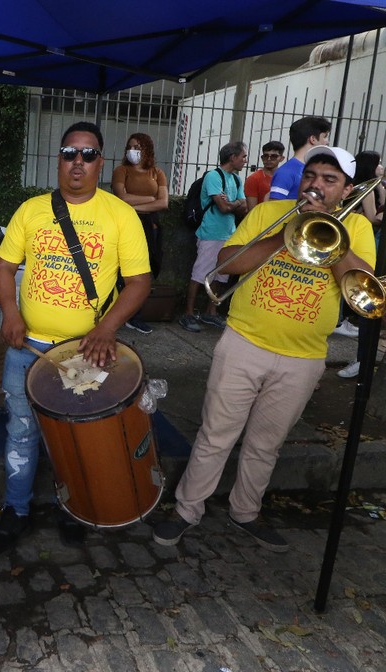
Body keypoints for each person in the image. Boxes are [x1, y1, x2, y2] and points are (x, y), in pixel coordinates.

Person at [153, 146, 375, 552]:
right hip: (243, 342)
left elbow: (359, 285)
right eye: (311, 176)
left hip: (304, 357)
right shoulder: (269, 213)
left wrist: (331, 236)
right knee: (216, 433)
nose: (316, 185)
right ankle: (187, 510)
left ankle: (246, 511)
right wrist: (285, 233)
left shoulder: (356, 228)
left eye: (329, 180)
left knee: (266, 443)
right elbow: (226, 264)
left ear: (346, 190)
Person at [0, 121, 151, 553]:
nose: (78, 162)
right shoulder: (31, 210)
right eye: (69, 153)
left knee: (79, 438)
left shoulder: (121, 215)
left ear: (100, 163)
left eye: (88, 154)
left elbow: (139, 282)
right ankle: (16, 511)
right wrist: (9, 312)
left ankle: (73, 507)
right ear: (58, 159)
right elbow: (4, 267)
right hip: (28, 348)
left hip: (86, 354)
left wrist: (106, 328)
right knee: (20, 433)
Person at [178, 141, 248, 333]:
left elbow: (243, 206)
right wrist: (234, 204)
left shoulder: (236, 180)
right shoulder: (213, 177)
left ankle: (211, 311)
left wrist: (232, 203)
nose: (245, 160)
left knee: (222, 275)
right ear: (232, 157)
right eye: (243, 156)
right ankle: (189, 313)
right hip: (210, 233)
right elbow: (224, 207)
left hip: (229, 233)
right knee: (201, 274)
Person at [111, 132, 169, 334]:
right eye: (130, 146)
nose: (132, 151)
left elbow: (164, 203)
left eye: (137, 147)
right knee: (120, 270)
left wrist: (140, 204)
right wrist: (151, 199)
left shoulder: (157, 173)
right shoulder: (121, 171)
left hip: (150, 226)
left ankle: (135, 316)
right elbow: (121, 199)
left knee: (145, 269)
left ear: (147, 150)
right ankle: (116, 314)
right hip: (125, 224)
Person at [338, 149, 385, 379]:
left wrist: (380, 186)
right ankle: (362, 360)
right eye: (379, 164)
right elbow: (374, 217)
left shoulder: (369, 186)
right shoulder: (365, 189)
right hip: (369, 240)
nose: (382, 168)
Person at [267, 116, 331, 201]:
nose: (327, 142)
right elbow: (273, 207)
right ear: (313, 139)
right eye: (325, 136)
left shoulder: (309, 168)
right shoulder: (286, 172)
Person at [244, 140, 284, 211]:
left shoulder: (285, 177)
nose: (268, 159)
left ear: (281, 158)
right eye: (265, 156)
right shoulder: (253, 179)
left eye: (273, 156)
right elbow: (252, 211)